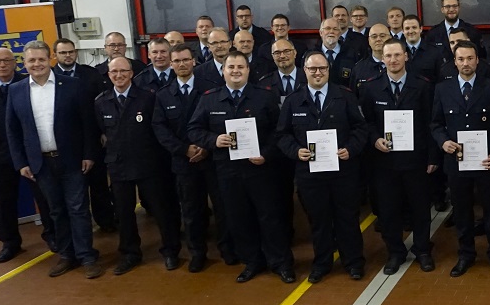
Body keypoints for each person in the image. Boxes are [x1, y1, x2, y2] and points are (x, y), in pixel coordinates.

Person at [187, 50, 292, 283]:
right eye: (231, 67)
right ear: (223, 71)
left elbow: (280, 131)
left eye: (240, 67)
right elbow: (193, 129)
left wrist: (266, 154)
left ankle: (281, 263)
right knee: (239, 218)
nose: (235, 71)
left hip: (261, 170)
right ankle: (253, 262)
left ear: (248, 70)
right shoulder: (209, 98)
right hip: (228, 171)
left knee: (271, 218)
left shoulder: (264, 96)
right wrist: (213, 140)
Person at [5, 40, 102, 279]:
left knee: (78, 209)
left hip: (72, 160)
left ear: (50, 59)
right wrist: (21, 163)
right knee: (56, 211)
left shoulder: (72, 85)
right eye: (31, 60)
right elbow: (12, 130)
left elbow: (87, 124)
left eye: (41, 59)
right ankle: (67, 255)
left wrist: (89, 154)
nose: (36, 64)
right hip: (40, 163)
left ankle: (87, 256)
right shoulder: (16, 90)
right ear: (24, 63)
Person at [276, 51, 370, 283]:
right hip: (309, 174)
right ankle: (322, 263)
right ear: (304, 70)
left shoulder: (345, 96)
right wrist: (295, 151)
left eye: (322, 69)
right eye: (312, 69)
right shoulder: (293, 100)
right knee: (318, 221)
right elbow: (282, 135)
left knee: (347, 218)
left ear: (329, 70)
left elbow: (361, 128)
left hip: (343, 172)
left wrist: (351, 148)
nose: (318, 73)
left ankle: (354, 262)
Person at [94, 56, 182, 274]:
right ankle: (130, 253)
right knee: (124, 213)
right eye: (114, 72)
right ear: (108, 75)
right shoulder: (101, 101)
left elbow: (158, 129)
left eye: (123, 71)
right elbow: (103, 132)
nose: (119, 76)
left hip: (148, 163)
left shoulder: (148, 98)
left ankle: (171, 251)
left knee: (161, 210)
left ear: (132, 73)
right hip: (118, 164)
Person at [358, 39, 438, 274]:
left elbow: (431, 123)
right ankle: (395, 252)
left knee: (420, 208)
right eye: (388, 56)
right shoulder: (371, 87)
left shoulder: (423, 86)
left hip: (416, 160)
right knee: (388, 210)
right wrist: (374, 139)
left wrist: (433, 157)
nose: (392, 60)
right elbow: (367, 122)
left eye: (397, 55)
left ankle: (423, 250)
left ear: (406, 56)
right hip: (384, 162)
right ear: (382, 59)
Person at [431, 41, 490, 277]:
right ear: (455, 62)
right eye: (461, 59)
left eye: (470, 58)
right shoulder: (442, 89)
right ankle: (466, 254)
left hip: (486, 162)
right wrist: (443, 141)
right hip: (456, 162)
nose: (466, 63)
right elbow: (435, 124)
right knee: (462, 211)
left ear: (478, 60)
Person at [0, 47, 53, 261]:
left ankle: (52, 235)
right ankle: (10, 242)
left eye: (6, 61)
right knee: (4, 199)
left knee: (43, 196)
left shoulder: (26, 85)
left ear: (15, 63)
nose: (2, 65)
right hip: (0, 155)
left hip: (30, 152)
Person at [152, 43, 223, 272]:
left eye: (185, 59)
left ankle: (229, 248)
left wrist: (206, 147)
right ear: (171, 65)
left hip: (212, 158)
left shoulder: (211, 89)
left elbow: (219, 121)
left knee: (223, 207)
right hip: (183, 162)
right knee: (192, 212)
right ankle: (197, 253)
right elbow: (160, 129)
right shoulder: (163, 96)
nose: (182, 64)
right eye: (177, 61)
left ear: (194, 61)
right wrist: (184, 150)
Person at [54, 38, 116, 234]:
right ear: (55, 55)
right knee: (71, 189)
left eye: (71, 52)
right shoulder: (49, 77)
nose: (68, 55)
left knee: (98, 184)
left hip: (93, 138)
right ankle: (78, 226)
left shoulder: (91, 75)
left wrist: (104, 131)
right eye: (63, 53)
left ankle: (105, 221)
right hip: (64, 142)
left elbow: (104, 103)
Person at [305, 18, 357, 87]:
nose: (331, 31)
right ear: (321, 33)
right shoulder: (310, 55)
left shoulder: (352, 53)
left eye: (335, 29)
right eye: (328, 28)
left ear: (340, 33)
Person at [257, 39, 306, 105]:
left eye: (287, 51)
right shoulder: (264, 83)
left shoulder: (308, 78)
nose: (282, 56)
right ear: (272, 57)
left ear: (295, 53)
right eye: (277, 53)